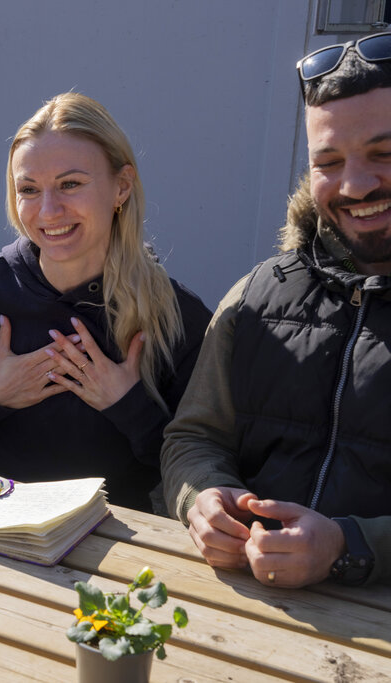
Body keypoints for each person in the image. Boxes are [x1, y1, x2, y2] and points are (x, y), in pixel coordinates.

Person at [161, 32, 391, 588]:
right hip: (241, 623)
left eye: (384, 153)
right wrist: (201, 499)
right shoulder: (254, 297)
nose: (356, 184)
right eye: (328, 161)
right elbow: (192, 439)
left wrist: (349, 544)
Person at [0, 93, 211, 512]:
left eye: (70, 184)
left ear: (122, 187)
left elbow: (196, 464)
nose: (49, 210)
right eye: (29, 189)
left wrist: (127, 404)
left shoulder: (178, 316)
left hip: (108, 539)